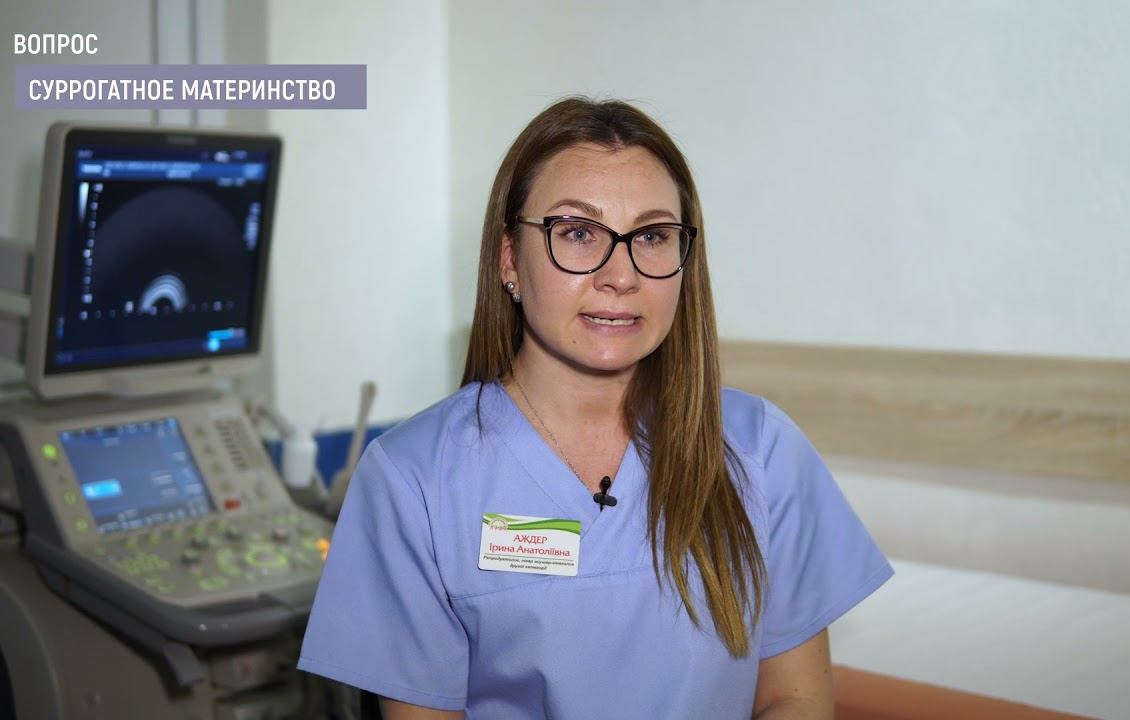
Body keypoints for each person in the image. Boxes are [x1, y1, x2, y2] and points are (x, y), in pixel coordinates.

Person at [297, 97, 894, 719]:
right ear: (509, 259)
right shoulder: (412, 480)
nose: (621, 275)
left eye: (652, 236)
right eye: (578, 233)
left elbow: (795, 698)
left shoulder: (759, 450)